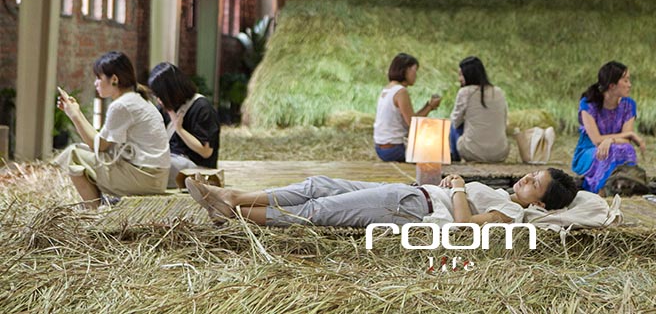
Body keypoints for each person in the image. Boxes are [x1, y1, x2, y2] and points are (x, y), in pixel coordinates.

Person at [185, 167, 579, 227]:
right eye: (532, 174)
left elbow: (463, 225)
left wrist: (459, 187)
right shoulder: (503, 194)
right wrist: (454, 184)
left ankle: (234, 212)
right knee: (318, 185)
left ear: (539, 204)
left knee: (319, 210)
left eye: (534, 183)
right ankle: (232, 195)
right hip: (413, 194)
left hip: (411, 207)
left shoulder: (512, 212)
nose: (526, 179)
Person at [53, 51, 170, 208]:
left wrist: (74, 115)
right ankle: (98, 208)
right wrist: (77, 113)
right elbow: (99, 142)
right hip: (154, 176)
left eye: (98, 78)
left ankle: (93, 213)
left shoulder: (122, 105)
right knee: (80, 151)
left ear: (114, 79)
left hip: (145, 177)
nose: (95, 83)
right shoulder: (136, 99)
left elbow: (100, 146)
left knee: (74, 154)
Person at [571, 61, 646, 194]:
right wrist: (626, 136)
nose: (629, 85)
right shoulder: (588, 104)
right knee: (609, 151)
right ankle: (600, 190)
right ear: (612, 86)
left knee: (626, 148)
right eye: (625, 81)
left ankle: (625, 186)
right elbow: (596, 140)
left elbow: (626, 140)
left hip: (615, 146)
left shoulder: (629, 105)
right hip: (589, 151)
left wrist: (610, 140)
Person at [148, 62, 220, 188]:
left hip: (194, 166)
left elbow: (206, 151)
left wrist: (179, 129)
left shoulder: (202, 107)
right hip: (170, 158)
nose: (158, 99)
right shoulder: (165, 107)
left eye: (159, 95)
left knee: (153, 166)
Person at [373, 53, 442, 162]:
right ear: (405, 70)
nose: (416, 75)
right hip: (394, 150)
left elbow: (410, 118)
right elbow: (413, 123)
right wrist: (430, 106)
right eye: (414, 71)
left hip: (380, 148)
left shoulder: (388, 89)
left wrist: (428, 106)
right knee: (438, 155)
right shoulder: (400, 91)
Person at [448, 56, 510, 162]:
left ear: (469, 75)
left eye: (461, 75)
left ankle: (455, 159)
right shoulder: (498, 91)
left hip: (472, 152)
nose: (459, 79)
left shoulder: (465, 92)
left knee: (454, 125)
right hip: (500, 153)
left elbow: (455, 121)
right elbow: (504, 121)